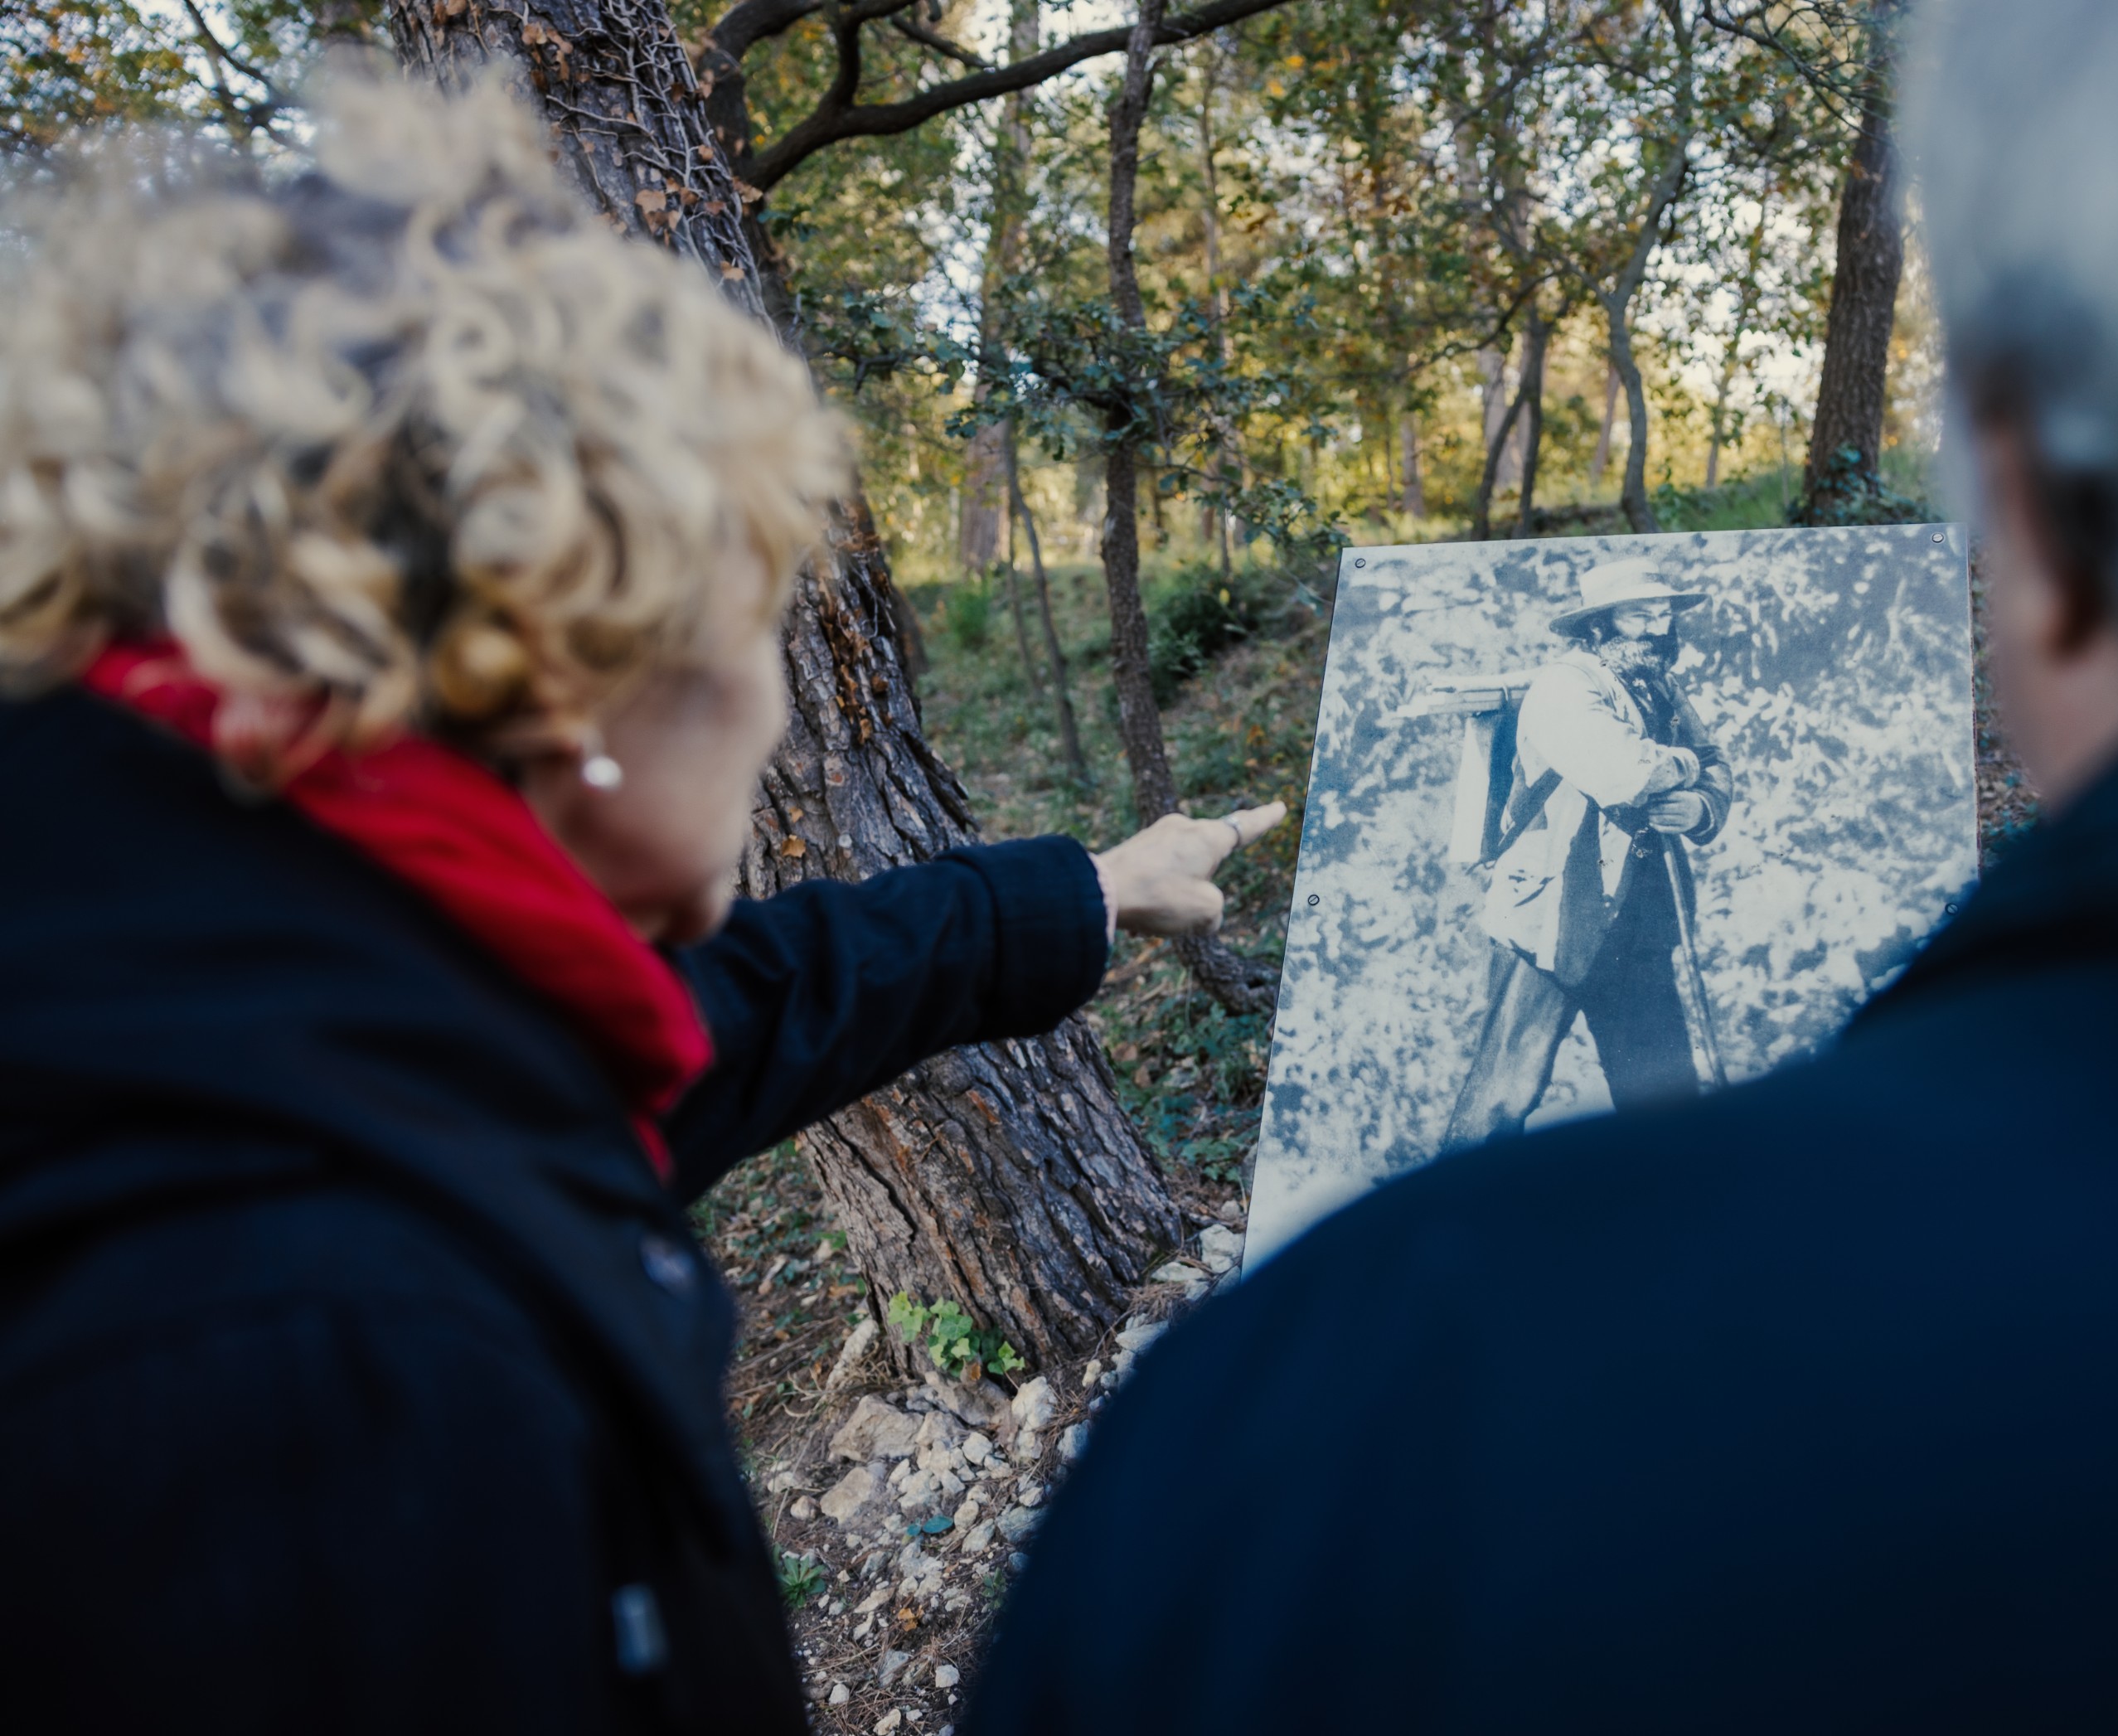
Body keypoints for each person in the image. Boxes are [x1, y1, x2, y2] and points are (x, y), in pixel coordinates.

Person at [968, 1, 2118, 1729]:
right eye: (1650, 612)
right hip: (1563, 913)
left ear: (2029, 503)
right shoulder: (1580, 676)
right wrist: (1681, 777)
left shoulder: (1325, 1445)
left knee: (1642, 1082)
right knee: (1509, 1076)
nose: (1663, 623)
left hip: (1620, 954)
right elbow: (1625, 776)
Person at [0, 74, 1278, 1731]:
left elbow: (724, 1019)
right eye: (756, 621)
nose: (776, 708)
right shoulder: (315, 1366)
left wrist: (1076, 900)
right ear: (566, 676)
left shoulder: (229, 979)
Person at [1442, 560, 1734, 1145]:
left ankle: (1673, 1225)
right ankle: (1459, 1224)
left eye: (1663, 615)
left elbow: (1717, 760)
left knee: (1663, 1097)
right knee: (1501, 1099)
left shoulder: (1660, 686)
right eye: (1638, 615)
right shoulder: (1564, 686)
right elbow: (1624, 772)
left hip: (1641, 922)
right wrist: (1685, 766)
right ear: (1599, 625)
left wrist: (1701, 806)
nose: (1656, 628)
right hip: (1549, 918)